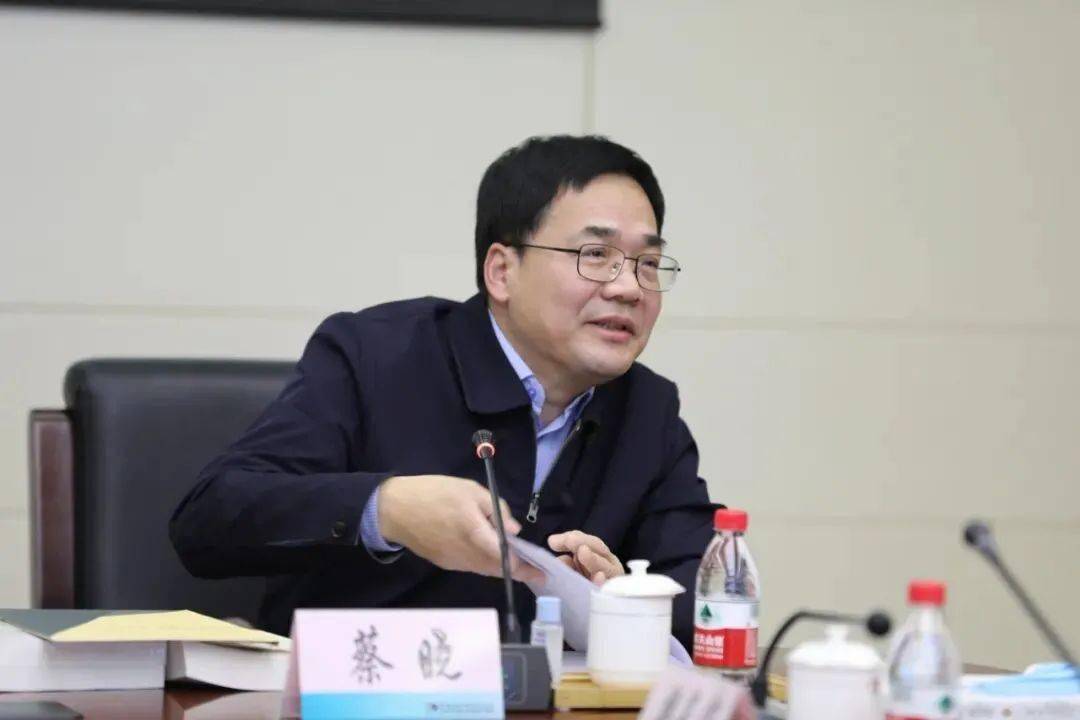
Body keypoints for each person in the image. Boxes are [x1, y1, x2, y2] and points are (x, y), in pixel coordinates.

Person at [169, 135, 721, 651]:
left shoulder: (647, 410)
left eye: (648, 264)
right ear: (501, 271)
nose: (628, 288)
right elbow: (209, 518)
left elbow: (710, 600)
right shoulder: (375, 357)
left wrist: (624, 598)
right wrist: (386, 508)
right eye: (595, 255)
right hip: (352, 693)